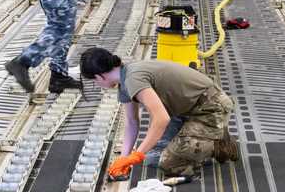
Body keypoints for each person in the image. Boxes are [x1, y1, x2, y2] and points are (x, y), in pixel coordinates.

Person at [80, 48, 241, 181]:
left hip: (211, 108)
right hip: (186, 109)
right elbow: (131, 122)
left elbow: (161, 119)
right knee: (153, 158)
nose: (97, 84)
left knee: (169, 164)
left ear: (100, 76)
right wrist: (125, 159)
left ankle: (221, 145)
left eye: (95, 81)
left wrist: (137, 155)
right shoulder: (125, 79)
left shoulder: (133, 78)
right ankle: (205, 136)